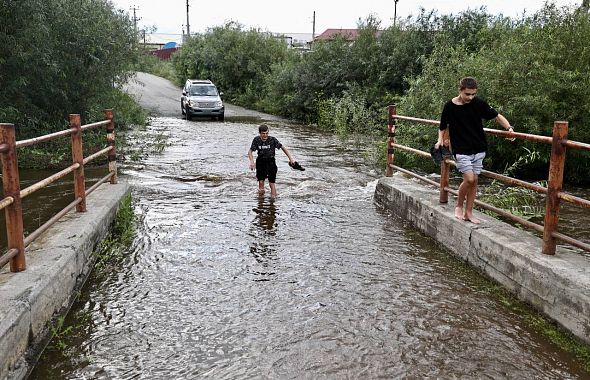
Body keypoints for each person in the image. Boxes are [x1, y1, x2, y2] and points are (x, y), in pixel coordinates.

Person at [435, 77, 514, 224]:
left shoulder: (478, 103)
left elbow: (496, 116)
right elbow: (443, 126)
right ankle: (459, 205)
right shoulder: (449, 106)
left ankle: (469, 213)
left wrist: (509, 128)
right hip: (460, 149)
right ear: (460, 90)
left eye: (473, 94)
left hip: (478, 148)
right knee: (470, 179)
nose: (470, 97)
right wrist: (440, 140)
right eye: (468, 94)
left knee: (475, 180)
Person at [248, 124, 295, 198]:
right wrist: (252, 162)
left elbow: (283, 148)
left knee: (271, 183)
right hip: (260, 162)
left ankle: (273, 201)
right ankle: (261, 201)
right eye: (263, 133)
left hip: (271, 162)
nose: (265, 135)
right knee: (261, 182)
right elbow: (250, 152)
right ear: (260, 133)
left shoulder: (272, 139)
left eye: (267, 133)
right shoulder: (256, 140)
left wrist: (291, 158)